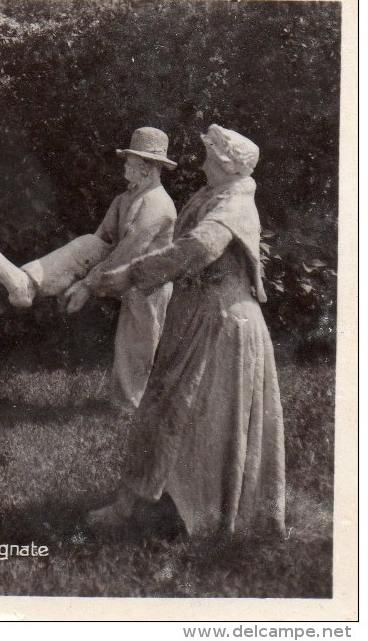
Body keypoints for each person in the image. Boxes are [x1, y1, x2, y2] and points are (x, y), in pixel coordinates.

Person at [86, 124, 285, 537]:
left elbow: (200, 248)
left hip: (223, 324)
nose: (203, 157)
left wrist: (133, 275)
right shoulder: (212, 194)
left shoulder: (235, 201)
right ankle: (141, 503)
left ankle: (206, 512)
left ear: (226, 163)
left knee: (193, 416)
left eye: (210, 152)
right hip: (196, 315)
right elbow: (180, 248)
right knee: (161, 409)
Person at [0, 127, 178, 411]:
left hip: (149, 282)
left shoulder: (159, 205)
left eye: (130, 161)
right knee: (87, 243)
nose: (124, 165)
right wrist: (75, 276)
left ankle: (128, 408)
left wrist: (87, 286)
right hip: (123, 269)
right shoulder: (124, 200)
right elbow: (102, 241)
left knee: (137, 345)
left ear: (148, 169)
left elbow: (129, 252)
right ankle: (27, 283)